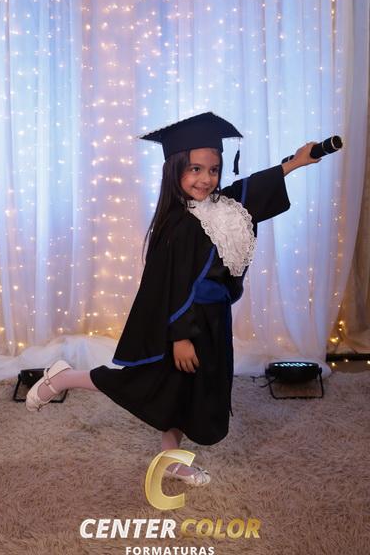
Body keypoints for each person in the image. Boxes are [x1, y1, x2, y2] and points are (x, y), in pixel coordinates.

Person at [26, 112, 319, 485]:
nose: (205, 179)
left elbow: (252, 190)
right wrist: (180, 337)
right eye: (195, 169)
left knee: (185, 392)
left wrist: (296, 162)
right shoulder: (179, 225)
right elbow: (174, 286)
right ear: (175, 169)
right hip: (184, 324)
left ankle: (171, 460)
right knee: (145, 386)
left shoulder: (222, 208)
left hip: (211, 320)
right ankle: (65, 377)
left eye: (213, 170)